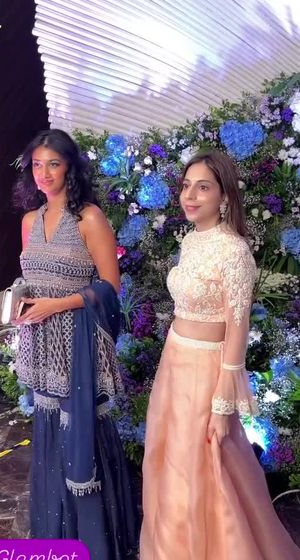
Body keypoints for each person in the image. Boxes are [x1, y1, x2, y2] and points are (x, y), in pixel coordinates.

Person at [140, 150, 300, 559]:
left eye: (203, 187)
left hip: (206, 370)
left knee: (205, 462)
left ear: (224, 196)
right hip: (175, 362)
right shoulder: (192, 240)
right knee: (171, 460)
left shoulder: (233, 251)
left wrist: (223, 401)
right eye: (186, 186)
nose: (190, 196)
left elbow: (238, 326)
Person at [13, 129, 138, 559]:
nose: (44, 174)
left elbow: (110, 287)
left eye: (53, 164)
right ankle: (58, 541)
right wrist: (22, 302)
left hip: (79, 345)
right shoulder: (29, 221)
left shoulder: (89, 218)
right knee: (49, 433)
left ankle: (98, 543)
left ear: (70, 167)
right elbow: (32, 278)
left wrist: (57, 305)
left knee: (83, 434)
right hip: (42, 345)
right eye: (37, 165)